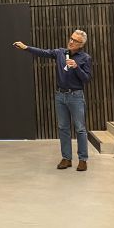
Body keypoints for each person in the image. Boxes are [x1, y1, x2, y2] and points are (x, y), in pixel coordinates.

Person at [14, 29, 93, 171]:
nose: (71, 41)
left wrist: (76, 67)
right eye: (71, 38)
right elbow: (43, 52)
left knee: (80, 129)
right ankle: (66, 158)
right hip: (60, 96)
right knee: (63, 127)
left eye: (75, 40)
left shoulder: (85, 58)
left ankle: (83, 160)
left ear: (81, 44)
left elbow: (87, 79)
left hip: (76, 96)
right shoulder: (60, 53)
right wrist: (26, 48)